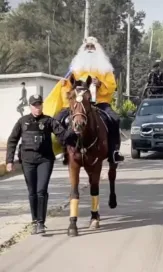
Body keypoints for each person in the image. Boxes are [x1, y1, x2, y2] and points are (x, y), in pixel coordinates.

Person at [43, 36, 124, 164]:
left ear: (98, 49)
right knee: (58, 120)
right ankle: (64, 150)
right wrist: (68, 89)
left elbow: (112, 86)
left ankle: (114, 151)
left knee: (114, 119)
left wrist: (100, 84)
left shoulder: (106, 69)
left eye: (93, 47)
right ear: (83, 50)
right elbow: (67, 87)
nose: (90, 49)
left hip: (99, 103)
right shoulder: (75, 69)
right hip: (77, 104)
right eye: (87, 47)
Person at [6, 95, 76, 234]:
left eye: (39, 105)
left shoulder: (48, 120)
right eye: (34, 105)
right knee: (32, 192)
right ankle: (34, 221)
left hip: (45, 160)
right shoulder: (23, 121)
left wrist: (75, 133)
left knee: (41, 191)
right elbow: (12, 140)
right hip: (28, 161)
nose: (37, 107)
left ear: (42, 106)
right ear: (30, 106)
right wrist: (9, 161)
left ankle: (41, 223)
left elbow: (62, 134)